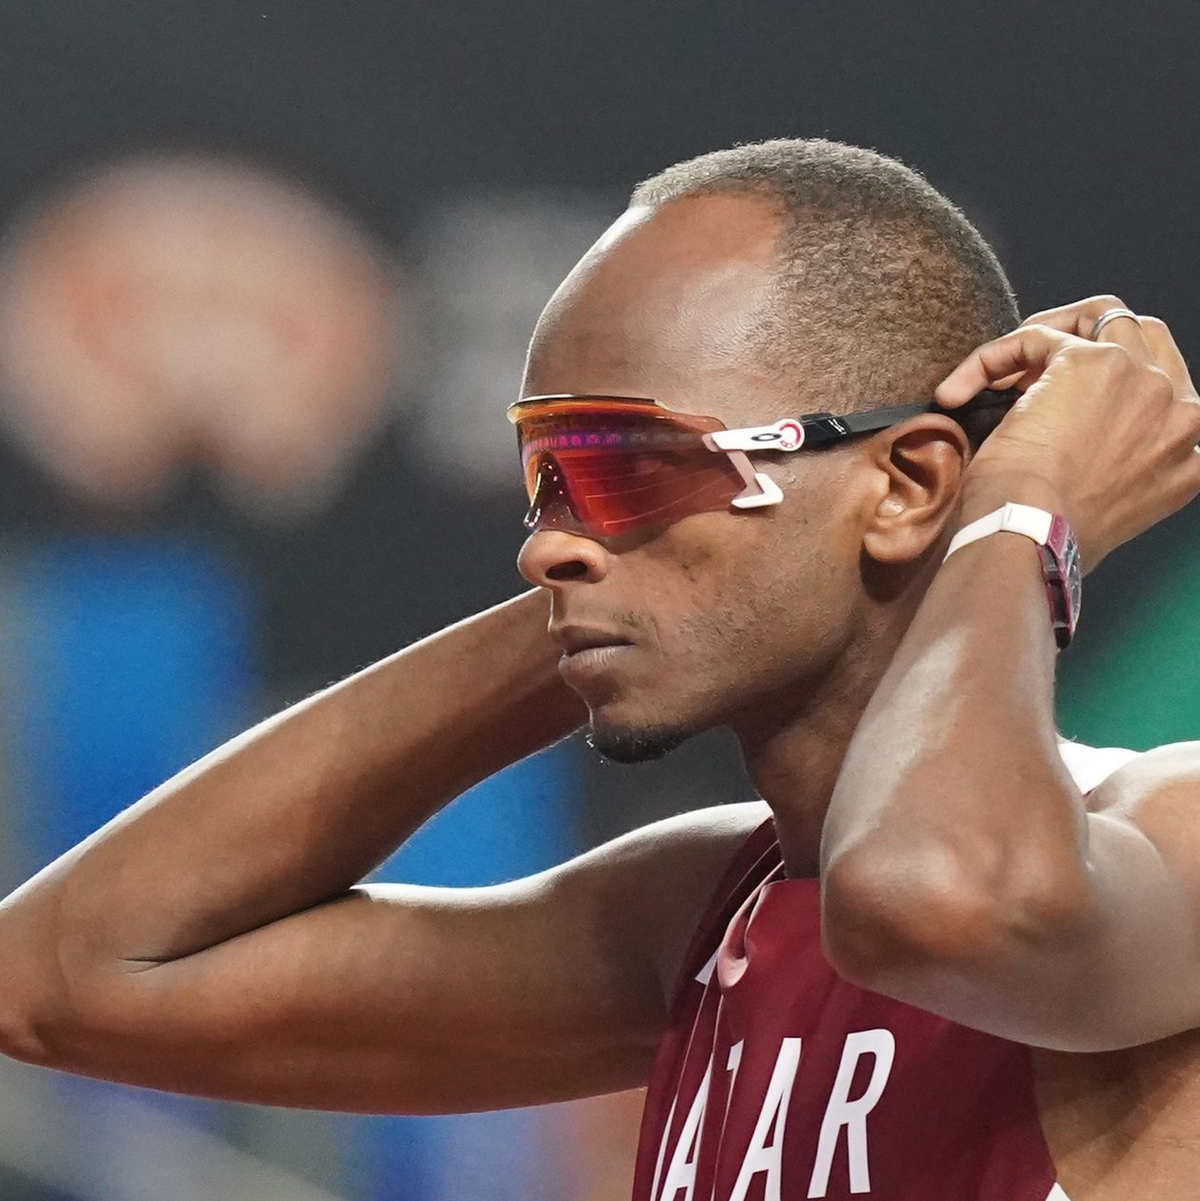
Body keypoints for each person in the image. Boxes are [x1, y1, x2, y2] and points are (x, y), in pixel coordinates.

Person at [1, 138, 1199, 1200]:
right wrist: (618, 589)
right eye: (545, 476)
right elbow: (58, 977)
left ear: (910, 484)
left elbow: (936, 901)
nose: (544, 542)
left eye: (631, 462)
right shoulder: (695, 916)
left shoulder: (1172, 837)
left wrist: (1024, 511)